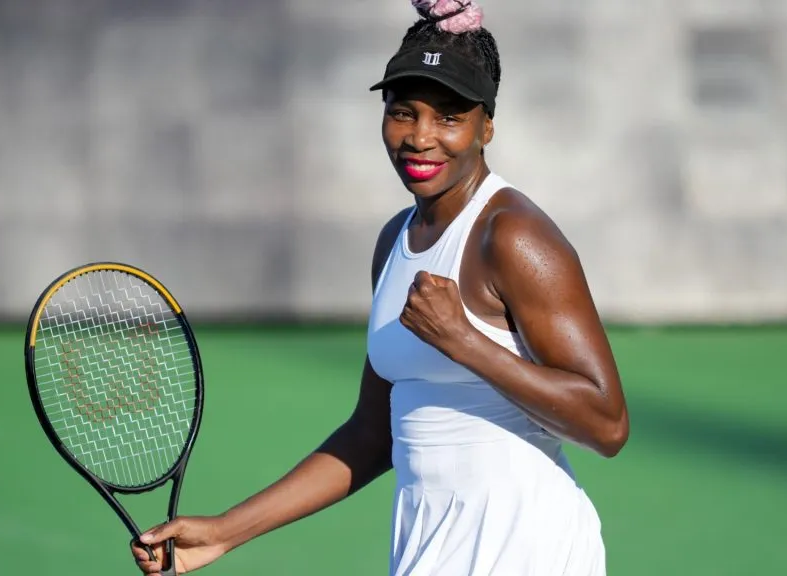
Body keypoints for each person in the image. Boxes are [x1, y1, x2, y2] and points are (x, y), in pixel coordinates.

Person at [131, 1, 629, 574]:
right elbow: (373, 432)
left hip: (527, 549)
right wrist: (223, 533)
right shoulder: (395, 240)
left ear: (486, 126)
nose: (420, 137)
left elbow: (607, 423)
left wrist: (465, 339)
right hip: (429, 548)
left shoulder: (512, 236)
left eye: (449, 117)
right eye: (403, 112)